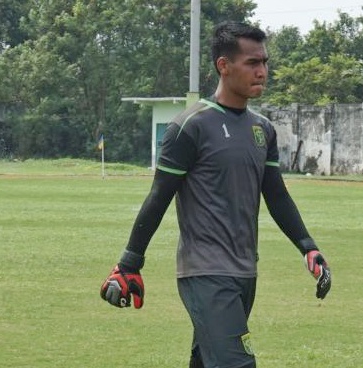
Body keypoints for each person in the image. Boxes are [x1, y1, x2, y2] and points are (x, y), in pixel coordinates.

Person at [100, 21, 332, 368]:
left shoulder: (261, 129)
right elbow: (159, 196)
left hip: (244, 271)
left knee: (206, 361)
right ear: (224, 66)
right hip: (205, 273)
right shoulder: (190, 126)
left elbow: (277, 196)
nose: (262, 71)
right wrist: (129, 263)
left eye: (265, 62)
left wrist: (308, 247)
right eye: (252, 63)